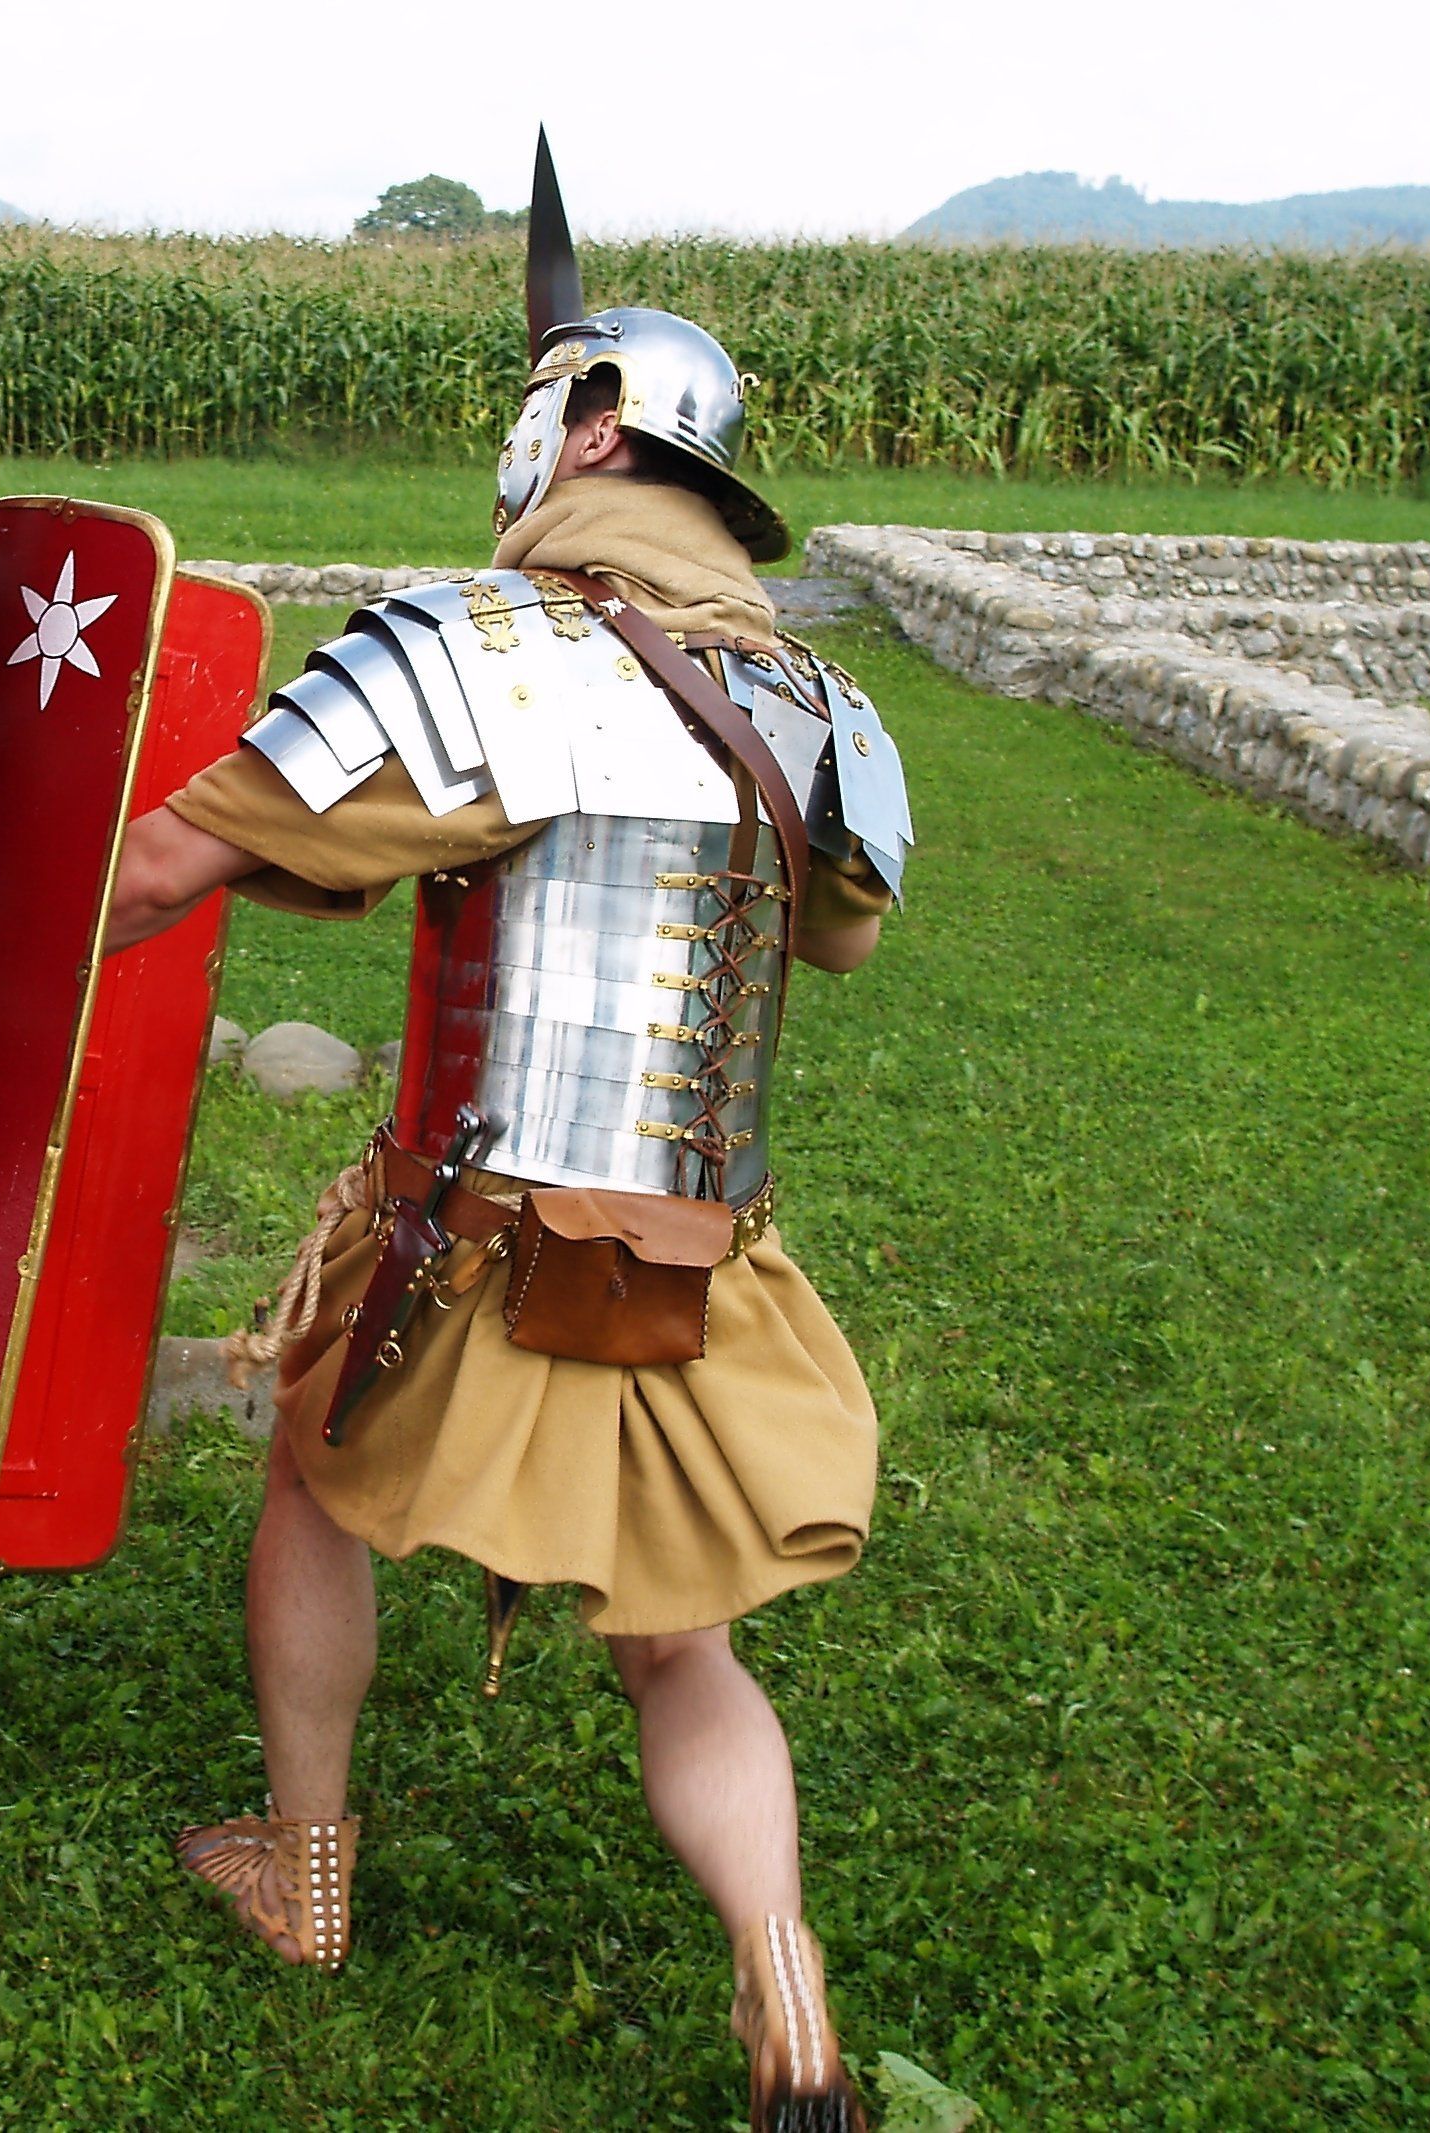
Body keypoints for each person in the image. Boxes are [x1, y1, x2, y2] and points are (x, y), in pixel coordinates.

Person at [101, 302, 910, 2129]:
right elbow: (845, 931)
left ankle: (305, 1874)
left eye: (543, 405)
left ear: (596, 431)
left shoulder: (483, 648)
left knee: (314, 1478)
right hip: (692, 1256)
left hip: (470, 1238)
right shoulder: (811, 704)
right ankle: (785, 1980)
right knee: (678, 1642)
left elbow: (156, 868)